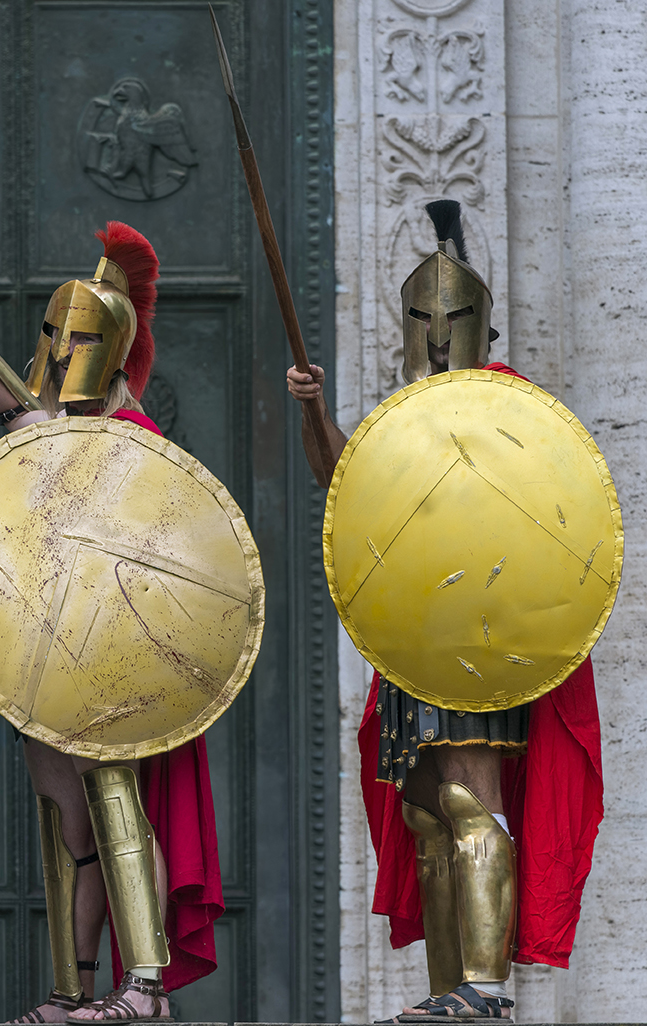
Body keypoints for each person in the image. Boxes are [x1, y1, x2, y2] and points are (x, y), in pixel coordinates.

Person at [286, 200, 604, 1022]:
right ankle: (447, 990)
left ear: (482, 327)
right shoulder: (405, 423)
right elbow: (344, 489)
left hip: (485, 639)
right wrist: (313, 410)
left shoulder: (516, 414)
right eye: (422, 315)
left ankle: (488, 990)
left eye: (451, 315)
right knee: (427, 812)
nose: (436, 330)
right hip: (413, 639)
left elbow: (562, 531)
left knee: (469, 797)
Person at [0, 222, 224, 1023]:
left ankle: (145, 988)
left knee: (115, 803)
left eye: (81, 338)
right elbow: (22, 426)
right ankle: (73, 988)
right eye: (54, 336)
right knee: (66, 811)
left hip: (120, 651)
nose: (64, 351)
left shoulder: (136, 439)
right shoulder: (46, 429)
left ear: (111, 347)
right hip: (48, 645)